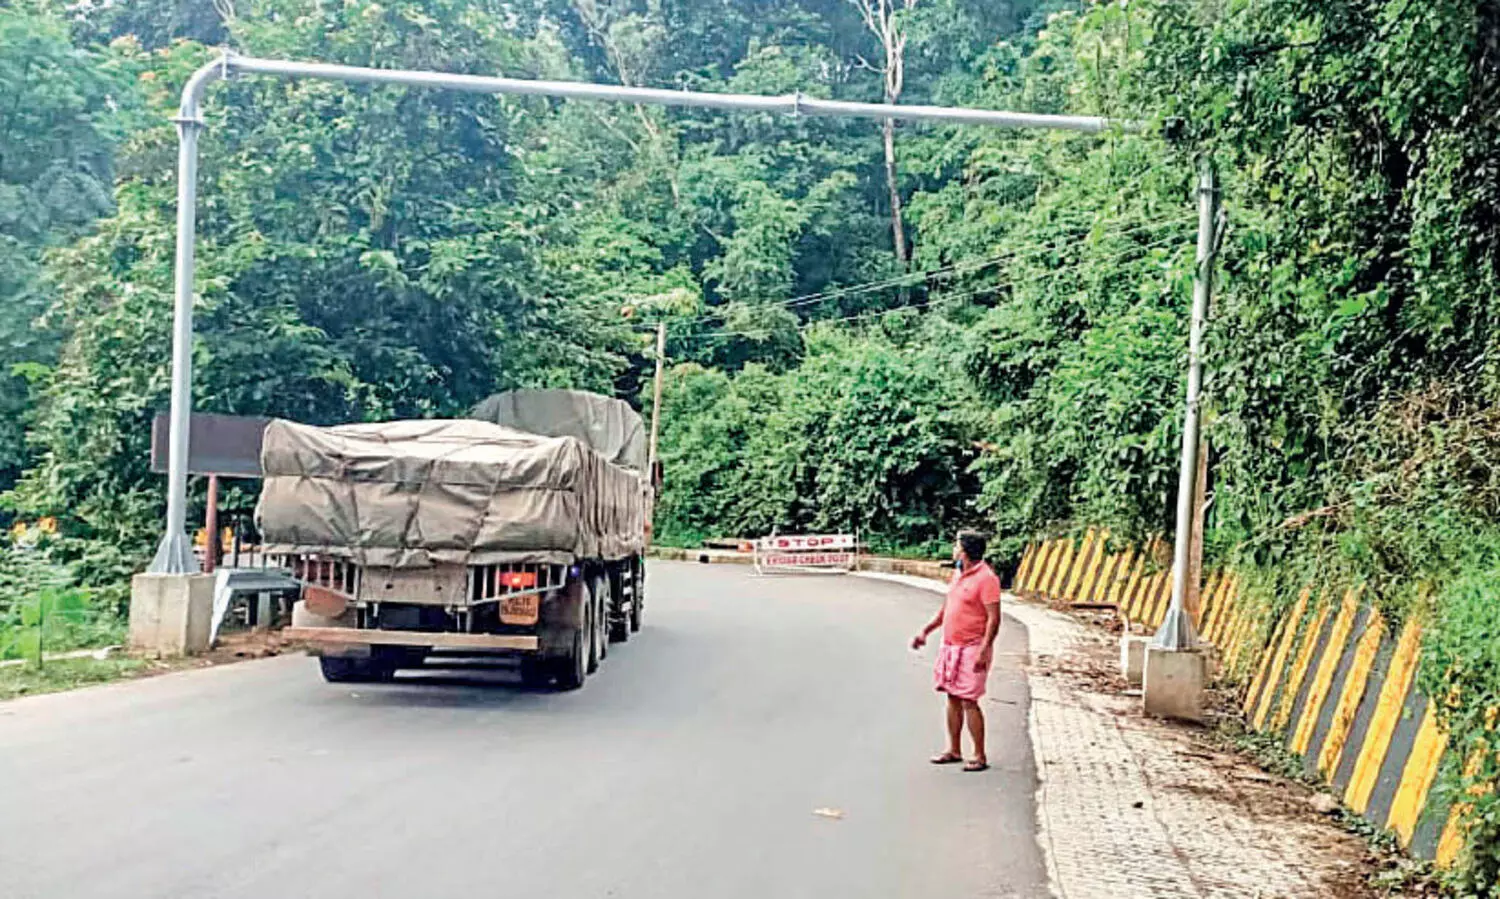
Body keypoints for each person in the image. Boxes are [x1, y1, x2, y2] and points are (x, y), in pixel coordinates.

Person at [911, 530, 1001, 773]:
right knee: (952, 696)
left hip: (973, 647)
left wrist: (985, 649)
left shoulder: (987, 579)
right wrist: (926, 631)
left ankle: (979, 755)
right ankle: (954, 749)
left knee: (969, 700)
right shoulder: (958, 575)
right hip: (951, 645)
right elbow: (947, 608)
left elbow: (994, 619)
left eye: (956, 546)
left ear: (966, 551)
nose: (953, 550)